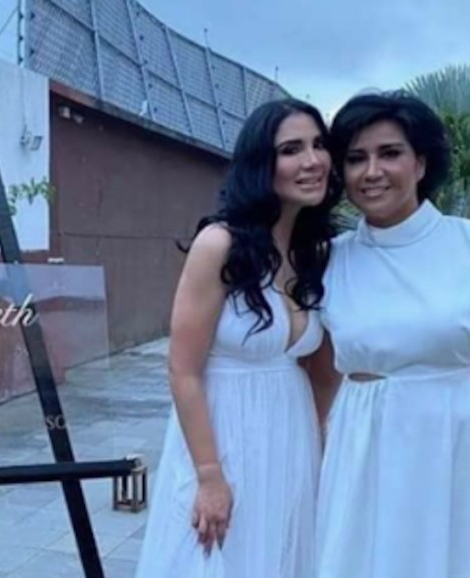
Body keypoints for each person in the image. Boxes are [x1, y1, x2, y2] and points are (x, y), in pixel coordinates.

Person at [311, 90, 470, 578]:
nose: (372, 171)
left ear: (421, 162)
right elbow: (320, 376)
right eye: (356, 158)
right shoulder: (332, 258)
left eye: (390, 153)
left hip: (453, 445)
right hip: (361, 448)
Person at [133, 98, 341, 578]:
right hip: (222, 434)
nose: (312, 160)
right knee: (212, 556)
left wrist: (318, 436)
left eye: (318, 145)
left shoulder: (315, 253)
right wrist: (209, 476)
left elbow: (322, 371)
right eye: (291, 149)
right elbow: (182, 369)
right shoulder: (220, 244)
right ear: (260, 164)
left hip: (291, 434)